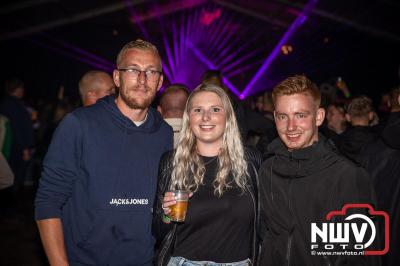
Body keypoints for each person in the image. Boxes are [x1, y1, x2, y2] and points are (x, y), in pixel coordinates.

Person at [35, 39, 173, 266]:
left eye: (150, 71)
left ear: (159, 82)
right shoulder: (79, 124)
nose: (142, 79)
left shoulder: (164, 133)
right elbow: (48, 201)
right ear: (117, 78)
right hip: (84, 260)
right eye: (133, 70)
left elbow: (163, 205)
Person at [258, 75, 379, 266]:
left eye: (300, 115)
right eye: (283, 116)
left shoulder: (347, 176)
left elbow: (363, 256)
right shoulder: (267, 170)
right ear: (275, 118)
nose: (291, 126)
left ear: (319, 117)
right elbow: (266, 237)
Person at [153, 84, 261, 266]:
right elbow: (158, 231)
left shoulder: (250, 161)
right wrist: (166, 213)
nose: (206, 117)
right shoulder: (172, 162)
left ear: (227, 117)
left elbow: (264, 225)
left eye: (215, 109)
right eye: (198, 110)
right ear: (189, 118)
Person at [0, 78, 34, 192]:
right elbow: (16, 127)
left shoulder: (12, 103)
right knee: (13, 176)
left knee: (12, 177)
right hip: (15, 148)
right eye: (22, 88)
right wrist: (24, 148)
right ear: (18, 89)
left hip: (15, 147)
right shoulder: (11, 104)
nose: (23, 91)